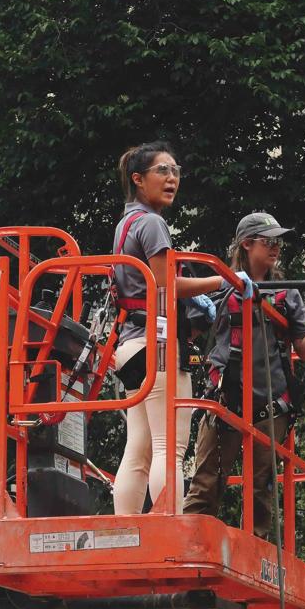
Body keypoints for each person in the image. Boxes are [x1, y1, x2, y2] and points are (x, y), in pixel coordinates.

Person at [112, 141, 253, 515]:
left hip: (129, 345)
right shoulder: (153, 223)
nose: (172, 178)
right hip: (156, 344)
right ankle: (168, 526)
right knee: (168, 446)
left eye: (175, 171)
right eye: (162, 170)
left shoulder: (126, 223)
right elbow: (165, 286)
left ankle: (126, 526)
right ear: (138, 179)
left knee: (139, 446)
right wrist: (222, 281)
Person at [184, 212, 305, 539]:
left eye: (279, 242)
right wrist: (208, 303)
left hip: (270, 404)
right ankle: (191, 543)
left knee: (261, 489)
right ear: (247, 243)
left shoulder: (287, 295)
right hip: (225, 397)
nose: (276, 248)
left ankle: (256, 553)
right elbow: (191, 329)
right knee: (206, 481)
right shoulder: (220, 284)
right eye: (268, 241)